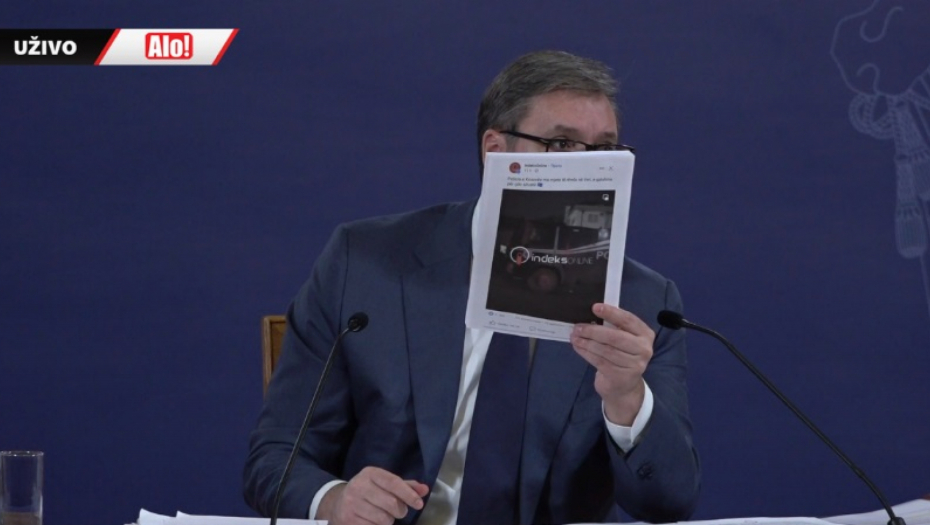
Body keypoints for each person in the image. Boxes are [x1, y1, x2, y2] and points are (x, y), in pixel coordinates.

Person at [243, 50, 700, 525]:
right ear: (495, 150)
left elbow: (669, 502)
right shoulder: (364, 264)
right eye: (562, 144)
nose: (588, 168)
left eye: (604, 149)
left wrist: (627, 398)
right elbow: (276, 457)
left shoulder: (644, 302)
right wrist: (334, 499)